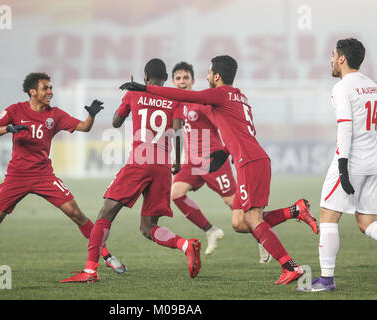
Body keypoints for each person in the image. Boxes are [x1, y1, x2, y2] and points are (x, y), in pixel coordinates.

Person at [120, 55, 319, 285]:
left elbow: (184, 95)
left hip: (249, 161)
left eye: (208, 72)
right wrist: (225, 151)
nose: (206, 76)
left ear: (216, 76)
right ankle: (296, 210)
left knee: (252, 219)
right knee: (239, 222)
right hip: (250, 159)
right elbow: (242, 129)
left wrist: (145, 88)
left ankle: (289, 266)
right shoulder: (240, 97)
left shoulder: (218, 94)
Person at [0, 72, 126, 278]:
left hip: (44, 175)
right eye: (46, 88)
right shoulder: (15, 110)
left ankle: (107, 257)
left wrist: (92, 114)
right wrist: (8, 128)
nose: (50, 92)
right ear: (32, 91)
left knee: (76, 213)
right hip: (16, 176)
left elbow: (83, 127)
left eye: (51, 88)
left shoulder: (54, 115)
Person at [61, 59, 202, 284]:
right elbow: (178, 131)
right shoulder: (175, 97)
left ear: (145, 77)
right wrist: (177, 161)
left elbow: (117, 122)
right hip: (163, 166)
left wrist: (128, 97)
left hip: (139, 162)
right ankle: (185, 245)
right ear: (165, 78)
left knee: (105, 214)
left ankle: (89, 271)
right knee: (148, 227)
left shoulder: (133, 93)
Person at [170, 61, 271, 262]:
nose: (182, 81)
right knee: (175, 193)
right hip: (193, 163)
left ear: (193, 80)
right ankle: (210, 230)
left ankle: (261, 238)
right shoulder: (179, 106)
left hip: (212, 160)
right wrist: (178, 159)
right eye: (178, 78)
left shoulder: (204, 101)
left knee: (237, 207)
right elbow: (178, 132)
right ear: (173, 82)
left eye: (185, 77)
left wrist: (229, 150)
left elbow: (224, 124)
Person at [302, 38, 377, 292]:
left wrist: (343, 166)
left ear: (342, 59)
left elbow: (345, 126)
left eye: (333, 55)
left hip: (352, 161)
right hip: (373, 163)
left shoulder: (342, 88)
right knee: (366, 222)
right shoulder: (371, 85)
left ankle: (325, 280)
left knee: (328, 217)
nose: (331, 60)